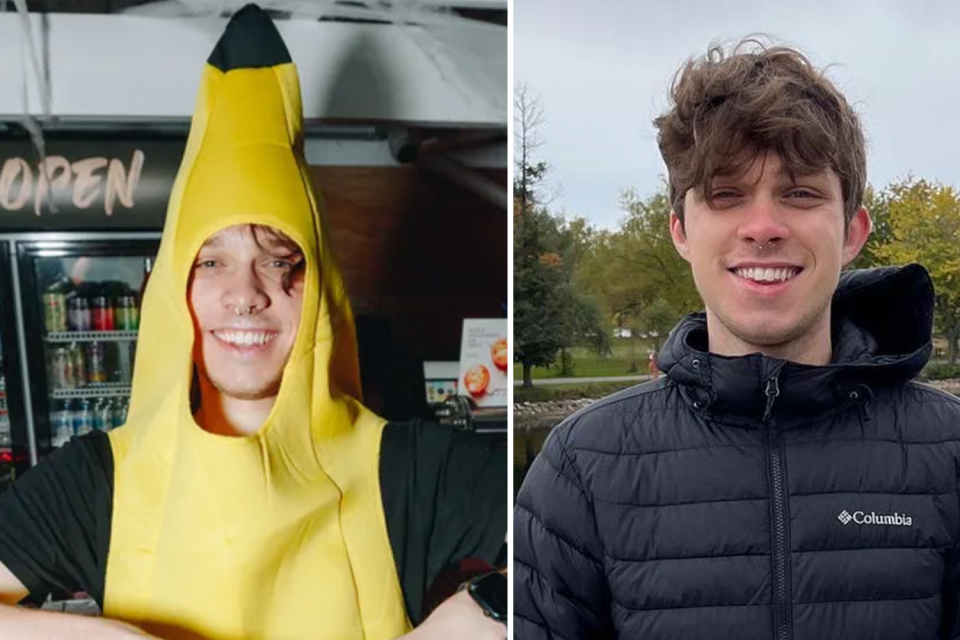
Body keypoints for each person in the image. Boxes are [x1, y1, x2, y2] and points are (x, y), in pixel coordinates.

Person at [0, 5, 506, 640]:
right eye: (212, 262)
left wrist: (479, 608)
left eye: (280, 264)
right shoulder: (95, 480)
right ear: (171, 293)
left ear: (318, 294)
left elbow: (564, 546)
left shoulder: (408, 468)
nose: (246, 295)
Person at [514, 38, 960, 640]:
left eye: (800, 192)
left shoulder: (949, 452)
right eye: (725, 195)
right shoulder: (582, 466)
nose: (763, 228)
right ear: (680, 231)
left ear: (853, 231)